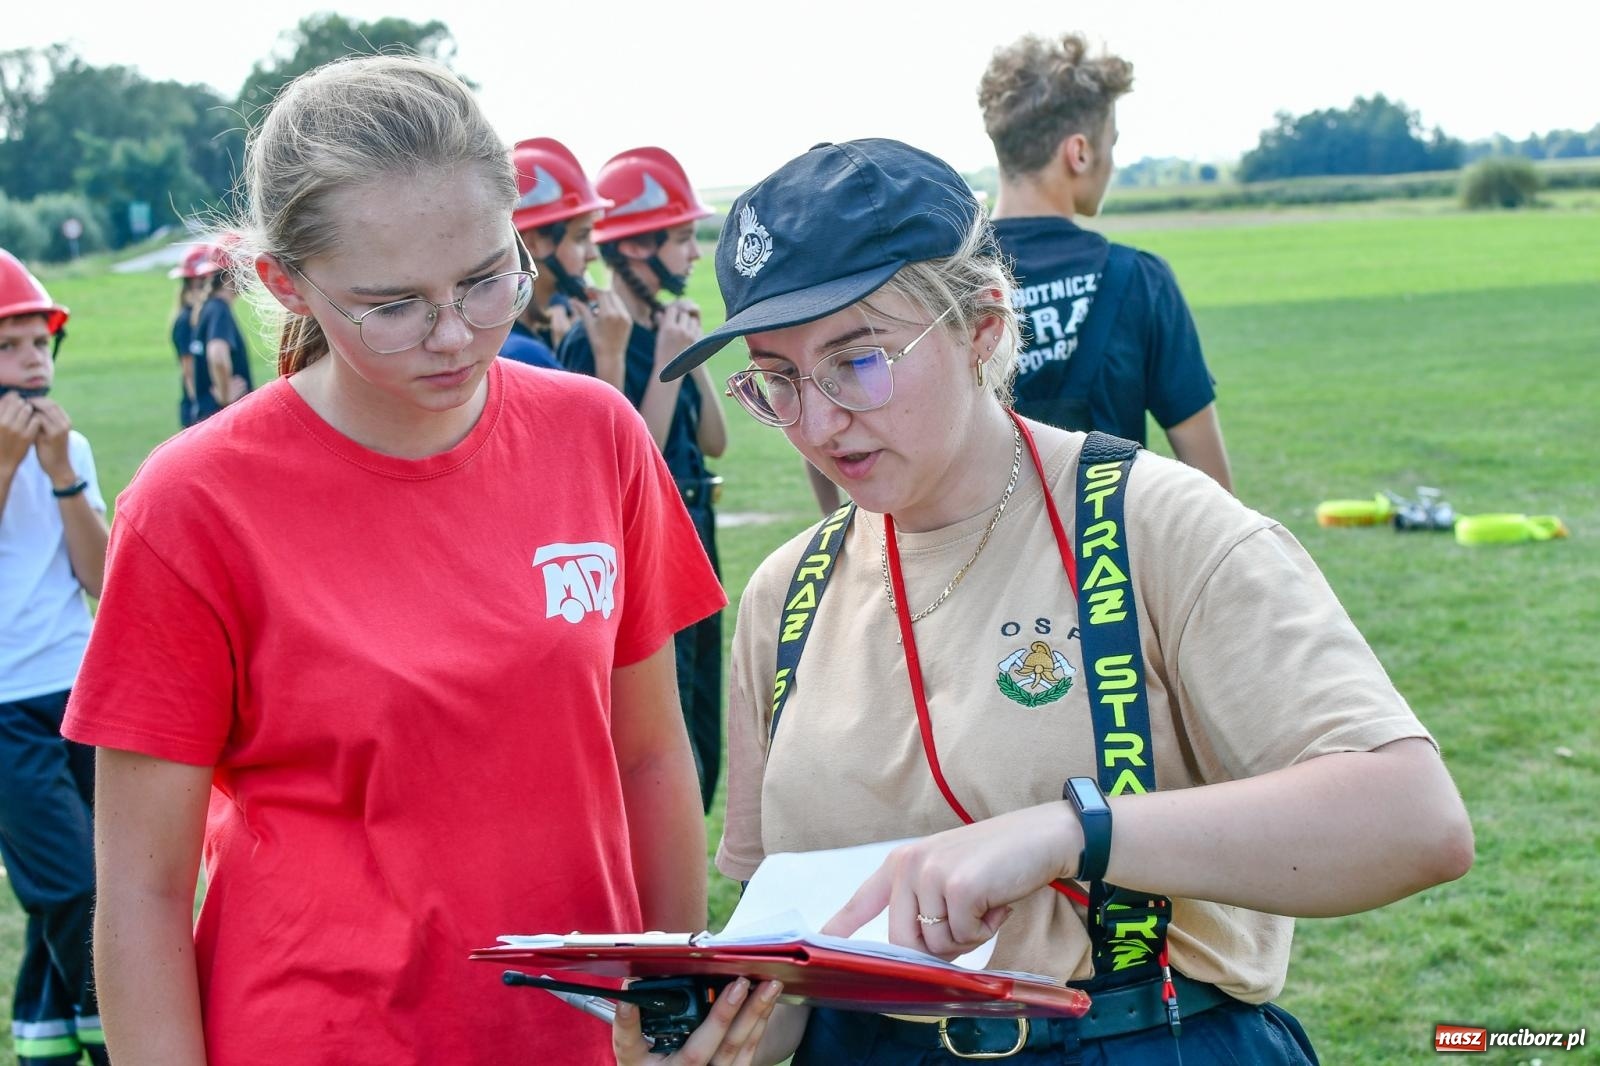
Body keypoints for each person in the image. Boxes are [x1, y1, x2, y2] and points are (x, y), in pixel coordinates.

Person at [660, 138, 1474, 1064]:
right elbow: (803, 965)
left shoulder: (1153, 525)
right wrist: (721, 1045)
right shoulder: (785, 596)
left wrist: (1071, 832)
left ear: (980, 324)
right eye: (778, 379)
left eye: (858, 360)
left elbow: (1416, 821)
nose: (818, 420)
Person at [60, 56, 776, 1066]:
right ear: (284, 282)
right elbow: (139, 890)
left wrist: (670, 1007)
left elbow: (651, 756)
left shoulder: (597, 437)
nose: (455, 335)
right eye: (392, 305)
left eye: (487, 280)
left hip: (576, 1040)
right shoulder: (193, 506)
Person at [977, 32, 1235, 494]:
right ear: (1079, 153)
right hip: (1110, 561)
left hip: (979, 563)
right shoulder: (1139, 280)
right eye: (1111, 144)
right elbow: (1212, 487)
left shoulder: (950, 284)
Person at [559, 146, 729, 814]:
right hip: (650, 542)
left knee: (705, 713)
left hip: (695, 527)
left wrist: (693, 358)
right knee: (672, 722)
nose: (692, 255)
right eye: (683, 239)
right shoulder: (593, 341)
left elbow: (714, 441)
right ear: (635, 248)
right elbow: (633, 468)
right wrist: (661, 361)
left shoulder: (663, 326)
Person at [0, 247, 110, 1066]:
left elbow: (101, 577)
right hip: (5, 705)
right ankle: (113, 1031)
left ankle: (43, 1039)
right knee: (72, 886)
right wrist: (7, 464)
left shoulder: (69, 446)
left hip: (82, 689)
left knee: (94, 880)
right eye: (8, 345)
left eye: (39, 342)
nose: (32, 359)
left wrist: (61, 474)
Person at [500, 136, 632, 371]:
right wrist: (610, 355)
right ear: (533, 243)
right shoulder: (523, 353)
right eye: (581, 237)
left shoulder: (525, 339)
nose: (592, 255)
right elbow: (602, 410)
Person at [188, 235, 252, 421]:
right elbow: (217, 355)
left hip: (207, 418)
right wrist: (225, 398)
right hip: (221, 417)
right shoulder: (220, 310)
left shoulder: (208, 307)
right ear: (232, 273)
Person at [167, 243, 216, 427]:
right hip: (201, 411)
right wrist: (204, 410)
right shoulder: (186, 321)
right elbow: (189, 373)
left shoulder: (200, 316)